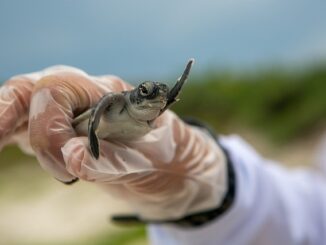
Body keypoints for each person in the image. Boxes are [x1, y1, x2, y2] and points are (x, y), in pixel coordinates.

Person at [1, 65, 326, 245]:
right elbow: (311, 214)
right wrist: (224, 191)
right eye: (145, 91)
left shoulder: (158, 105)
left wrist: (199, 178)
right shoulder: (117, 101)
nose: (156, 97)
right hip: (95, 128)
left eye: (161, 95)